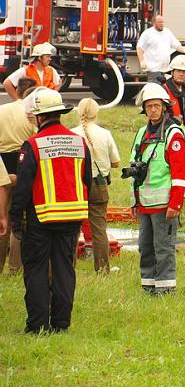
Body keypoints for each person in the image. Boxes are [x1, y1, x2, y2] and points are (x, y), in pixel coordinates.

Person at [10, 89, 91, 333]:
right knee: (65, 270)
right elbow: (86, 179)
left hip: (41, 219)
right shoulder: (79, 141)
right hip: (71, 217)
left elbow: (23, 187)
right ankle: (61, 324)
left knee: (36, 270)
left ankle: (37, 325)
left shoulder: (33, 145)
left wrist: (16, 218)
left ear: (39, 116)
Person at [127, 84, 185, 293]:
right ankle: (148, 286)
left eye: (157, 106)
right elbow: (134, 167)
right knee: (145, 248)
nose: (153, 110)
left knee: (163, 249)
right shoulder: (141, 133)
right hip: (145, 203)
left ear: (165, 107)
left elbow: (180, 174)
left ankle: (165, 289)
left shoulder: (173, 134)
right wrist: (134, 201)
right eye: (149, 106)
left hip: (165, 205)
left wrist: (176, 203)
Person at [71, 98, 120, 273]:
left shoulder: (71, 134)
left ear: (79, 112)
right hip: (98, 183)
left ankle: (69, 267)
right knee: (99, 228)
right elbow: (116, 162)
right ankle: (102, 268)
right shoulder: (104, 134)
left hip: (76, 185)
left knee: (73, 228)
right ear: (96, 112)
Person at [0, 80, 37, 274]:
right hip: (23, 160)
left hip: (2, 161)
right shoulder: (30, 114)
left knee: (2, 212)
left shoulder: (2, 109)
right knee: (19, 215)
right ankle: (15, 266)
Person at [136, 15, 185, 82]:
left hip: (164, 69)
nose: (162, 24)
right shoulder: (147, 33)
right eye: (160, 22)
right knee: (156, 88)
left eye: (163, 22)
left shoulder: (167, 32)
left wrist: (184, 50)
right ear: (154, 23)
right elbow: (139, 48)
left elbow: (175, 44)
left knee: (163, 89)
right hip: (153, 69)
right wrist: (142, 61)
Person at [163, 54, 185, 127]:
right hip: (169, 130)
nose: (181, 74)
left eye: (184, 71)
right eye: (178, 71)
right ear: (172, 72)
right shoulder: (164, 90)